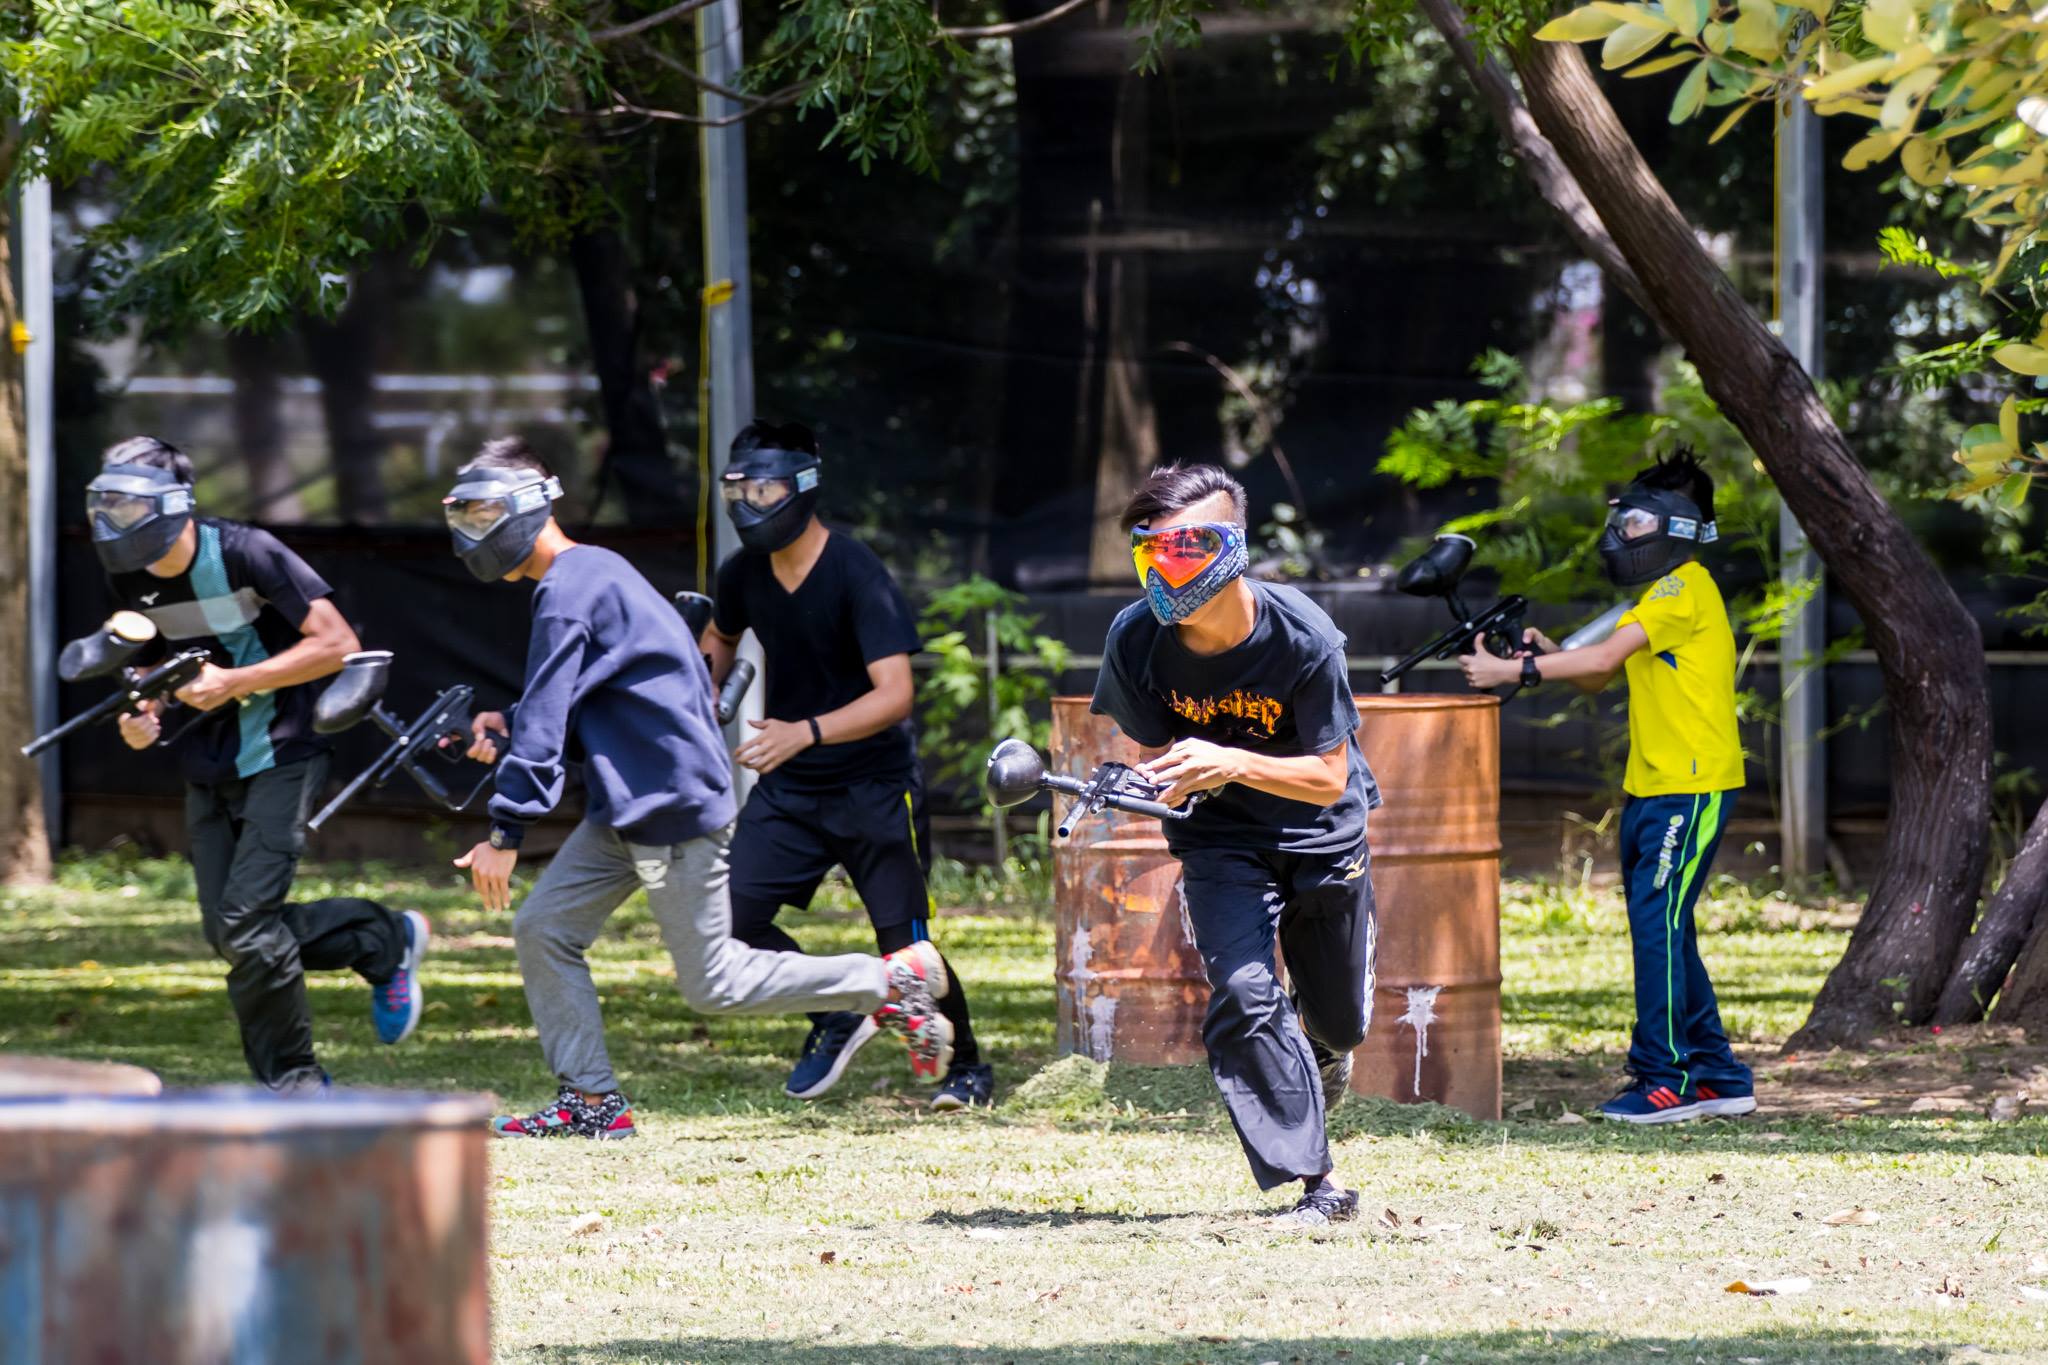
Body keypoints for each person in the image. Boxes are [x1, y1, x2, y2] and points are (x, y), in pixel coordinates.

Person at [443, 437, 955, 1141]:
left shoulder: (568, 587)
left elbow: (554, 714)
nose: (471, 530)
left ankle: (889, 982)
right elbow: (569, 703)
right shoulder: (587, 575)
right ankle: (592, 1102)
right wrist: (513, 725)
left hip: (669, 807)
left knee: (715, 983)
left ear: (527, 506)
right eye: (461, 515)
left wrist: (505, 832)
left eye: (480, 512)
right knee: (544, 927)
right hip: (633, 803)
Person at [86, 436, 428, 1093]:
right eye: (105, 504)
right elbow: (147, 665)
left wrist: (235, 682)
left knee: (246, 926)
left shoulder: (248, 550)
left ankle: (295, 1080)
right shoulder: (125, 574)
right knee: (234, 934)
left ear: (175, 502)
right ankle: (382, 939)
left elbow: (337, 642)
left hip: (283, 745)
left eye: (127, 504)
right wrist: (141, 714)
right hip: (203, 758)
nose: (113, 520)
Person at [1089, 462, 1380, 1226]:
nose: (1165, 565)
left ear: (1231, 548)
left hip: (1320, 833)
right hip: (1221, 840)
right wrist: (1162, 783)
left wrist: (1229, 760)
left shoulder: (1304, 635)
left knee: (1341, 1020)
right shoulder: (1137, 638)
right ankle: (1318, 1182)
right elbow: (1157, 758)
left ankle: (1320, 1051)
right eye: (1151, 549)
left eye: (1186, 547)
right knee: (1247, 995)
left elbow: (1326, 776)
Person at [700, 421, 991, 1110]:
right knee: (730, 922)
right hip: (790, 788)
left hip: (874, 787)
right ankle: (833, 1016)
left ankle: (970, 1068)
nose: (748, 503)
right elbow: (718, 636)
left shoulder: (858, 572)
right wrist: (694, 690)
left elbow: (895, 695)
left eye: (762, 488)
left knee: (907, 952)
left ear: (801, 487)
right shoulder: (742, 573)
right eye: (737, 489)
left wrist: (804, 731)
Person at [1460, 449, 1754, 1124]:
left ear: (1677, 527)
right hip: (1656, 786)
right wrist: (1544, 652)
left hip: (1690, 787)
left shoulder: (1683, 589)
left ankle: (1665, 1077)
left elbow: (1599, 659)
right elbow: (1592, 671)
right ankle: (1718, 1073)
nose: (1623, 534)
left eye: (1638, 521)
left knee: (1659, 929)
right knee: (1665, 929)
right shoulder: (1658, 599)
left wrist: (1517, 673)